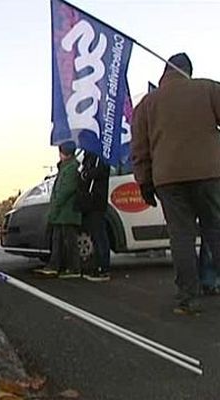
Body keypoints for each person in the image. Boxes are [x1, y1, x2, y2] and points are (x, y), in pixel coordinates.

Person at [131, 52, 220, 314]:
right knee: (215, 230)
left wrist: (144, 183)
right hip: (210, 175)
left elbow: (140, 149)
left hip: (168, 178)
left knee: (181, 237)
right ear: (188, 71)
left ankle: (187, 298)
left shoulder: (147, 104)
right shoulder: (208, 89)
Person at [36, 143, 82, 278]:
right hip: (62, 213)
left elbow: (65, 191)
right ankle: (54, 265)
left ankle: (74, 268)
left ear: (65, 153)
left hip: (67, 211)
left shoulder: (71, 168)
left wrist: (55, 207)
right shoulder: (65, 167)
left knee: (69, 241)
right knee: (58, 240)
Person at [77, 150, 111, 282]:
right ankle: (97, 266)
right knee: (95, 236)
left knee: (99, 234)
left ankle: (104, 268)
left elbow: (102, 171)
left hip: (96, 200)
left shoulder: (100, 156)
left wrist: (87, 174)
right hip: (88, 202)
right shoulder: (87, 157)